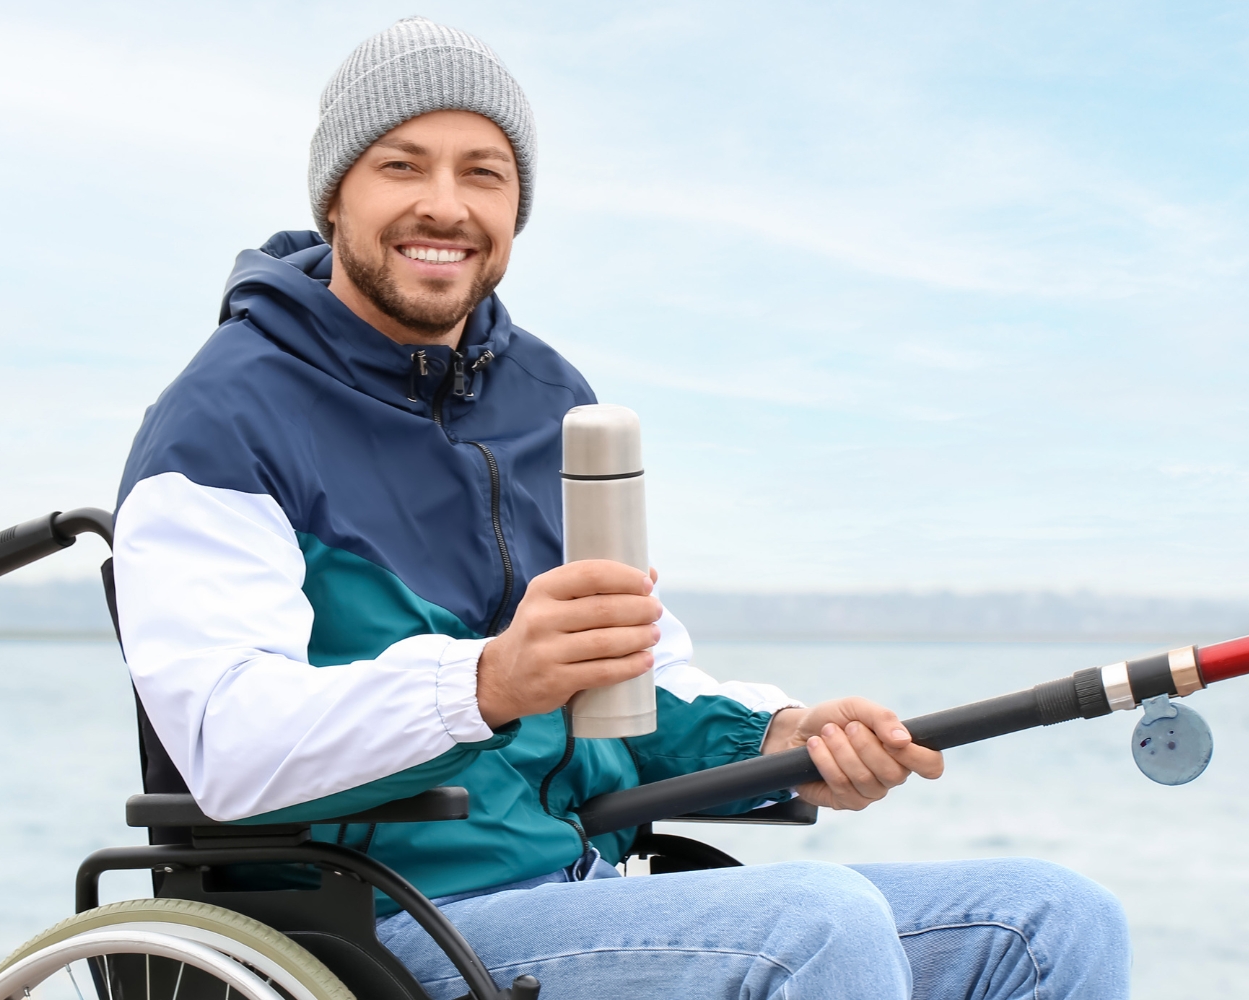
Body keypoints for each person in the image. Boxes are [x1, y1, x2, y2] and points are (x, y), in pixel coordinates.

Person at [114, 16, 1129, 999]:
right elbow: (228, 742)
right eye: (401, 164)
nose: (444, 204)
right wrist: (489, 678)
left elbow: (639, 685)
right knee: (814, 928)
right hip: (374, 922)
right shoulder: (222, 415)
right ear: (335, 192)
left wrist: (780, 743)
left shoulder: (553, 400)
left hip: (582, 892)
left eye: (483, 173)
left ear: (516, 207)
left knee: (1050, 916)